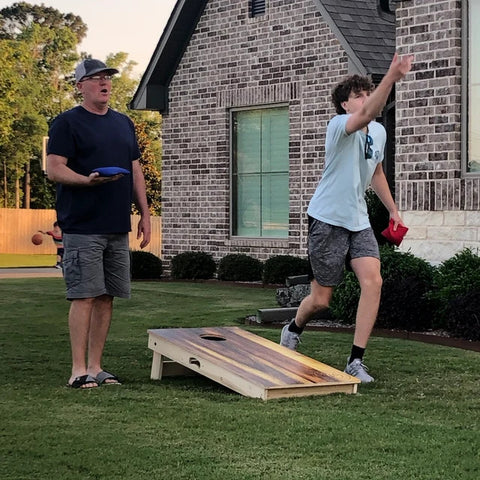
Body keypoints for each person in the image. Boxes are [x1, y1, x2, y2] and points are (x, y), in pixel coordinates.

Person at [280, 53, 413, 383]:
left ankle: (355, 361)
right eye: (357, 95)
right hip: (327, 219)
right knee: (321, 300)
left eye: (367, 93)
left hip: (359, 220)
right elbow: (368, 113)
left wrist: (393, 209)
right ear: (344, 105)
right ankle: (293, 328)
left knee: (374, 281)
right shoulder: (339, 126)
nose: (365, 99)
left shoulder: (378, 132)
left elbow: (377, 171)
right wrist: (391, 77)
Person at [46, 59, 151, 389]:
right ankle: (78, 370)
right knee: (84, 296)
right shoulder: (66, 123)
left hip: (116, 225)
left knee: (106, 296)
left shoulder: (123, 124)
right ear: (80, 86)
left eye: (107, 77)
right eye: (96, 78)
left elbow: (135, 170)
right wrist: (84, 180)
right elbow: (53, 168)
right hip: (81, 226)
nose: (104, 83)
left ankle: (96, 367)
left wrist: (145, 214)